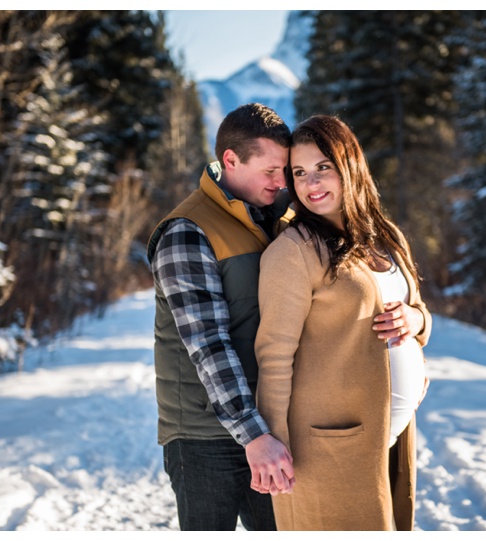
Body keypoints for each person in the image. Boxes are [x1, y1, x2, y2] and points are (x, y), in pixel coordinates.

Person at [254, 115, 433, 530]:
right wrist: (274, 444)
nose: (311, 183)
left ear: (349, 164)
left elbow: (420, 312)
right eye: (299, 173)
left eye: (323, 167)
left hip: (387, 438)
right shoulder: (294, 252)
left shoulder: (386, 236)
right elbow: (274, 355)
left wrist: (416, 319)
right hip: (329, 448)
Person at [146, 103, 296, 531]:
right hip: (204, 437)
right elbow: (208, 342)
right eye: (269, 170)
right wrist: (254, 435)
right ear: (230, 160)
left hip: (269, 424)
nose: (281, 181)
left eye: (284, 170)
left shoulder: (277, 217)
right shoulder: (187, 231)